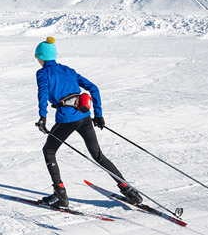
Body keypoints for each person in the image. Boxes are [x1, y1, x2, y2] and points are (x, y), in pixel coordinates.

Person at [33, 36, 142, 208]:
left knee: (49, 151)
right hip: (84, 117)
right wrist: (98, 114)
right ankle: (129, 191)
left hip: (67, 119)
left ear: (41, 57)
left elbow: (43, 94)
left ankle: (60, 195)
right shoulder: (68, 70)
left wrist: (42, 117)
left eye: (36, 57)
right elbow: (93, 88)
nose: (37, 60)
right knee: (98, 155)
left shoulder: (43, 73)